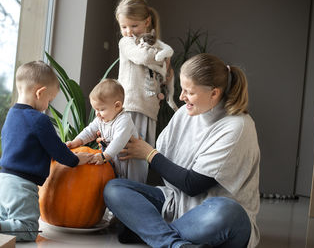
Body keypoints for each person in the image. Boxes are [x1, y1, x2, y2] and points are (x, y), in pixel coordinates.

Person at [104, 53, 260, 248]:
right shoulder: (185, 114)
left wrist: (149, 153)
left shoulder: (237, 127)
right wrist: (113, 149)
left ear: (214, 93)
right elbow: (163, 164)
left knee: (228, 212)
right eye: (182, 89)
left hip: (214, 214)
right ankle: (174, 243)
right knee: (115, 189)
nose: (181, 96)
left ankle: (151, 233)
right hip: (175, 204)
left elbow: (192, 184)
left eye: (189, 91)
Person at [0, 61, 93, 241]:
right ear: (40, 92)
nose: (47, 105)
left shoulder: (11, 115)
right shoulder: (40, 120)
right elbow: (59, 152)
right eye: (49, 100)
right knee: (29, 229)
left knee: (6, 218)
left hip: (5, 180)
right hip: (23, 186)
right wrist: (78, 159)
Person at [115, 0, 174, 147]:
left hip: (150, 107)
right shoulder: (126, 42)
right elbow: (142, 57)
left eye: (134, 26)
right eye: (124, 27)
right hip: (131, 104)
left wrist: (165, 73)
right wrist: (162, 58)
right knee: (128, 150)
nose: (128, 31)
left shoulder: (154, 45)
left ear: (147, 22)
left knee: (144, 152)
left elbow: (161, 73)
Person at [66, 78, 148, 183]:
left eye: (101, 109)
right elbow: (89, 131)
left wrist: (103, 156)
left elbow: (118, 141)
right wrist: (76, 142)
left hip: (132, 166)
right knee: (116, 181)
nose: (97, 114)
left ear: (117, 106)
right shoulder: (101, 119)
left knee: (133, 185)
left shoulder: (124, 120)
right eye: (95, 109)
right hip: (116, 162)